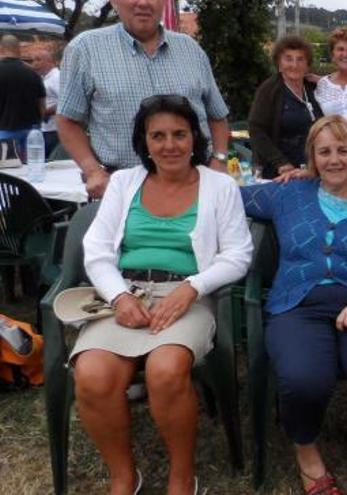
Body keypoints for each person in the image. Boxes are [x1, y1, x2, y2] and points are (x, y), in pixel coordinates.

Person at [71, 95, 252, 495]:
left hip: (186, 293)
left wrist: (193, 287)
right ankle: (123, 476)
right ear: (144, 141)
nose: (170, 145)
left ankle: (182, 478)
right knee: (92, 375)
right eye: (158, 136)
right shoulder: (123, 182)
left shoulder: (220, 185)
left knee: (165, 371)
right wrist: (119, 297)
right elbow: (98, 251)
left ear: (194, 138)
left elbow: (239, 254)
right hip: (125, 293)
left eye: (179, 134)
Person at [241, 115, 347, 495]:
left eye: (343, 150)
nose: (335, 159)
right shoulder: (288, 193)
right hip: (298, 306)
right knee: (303, 379)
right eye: (325, 151)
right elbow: (224, 196)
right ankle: (307, 454)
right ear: (312, 159)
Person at [57, 0, 230, 199]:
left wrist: (220, 160)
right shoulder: (85, 49)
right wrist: (93, 171)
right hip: (122, 190)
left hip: (194, 187)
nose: (144, 3)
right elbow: (67, 120)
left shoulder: (191, 50)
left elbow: (217, 115)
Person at [249, 35, 324, 180]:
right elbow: (256, 129)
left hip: (311, 170)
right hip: (280, 172)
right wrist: (281, 163)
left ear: (307, 64)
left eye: (300, 59)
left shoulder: (313, 88)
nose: (294, 65)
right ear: (279, 63)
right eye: (288, 59)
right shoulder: (269, 90)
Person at [314, 26, 347, 151]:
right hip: (334, 161)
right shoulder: (322, 85)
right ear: (332, 55)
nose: (345, 54)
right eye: (340, 49)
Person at [0, 35, 45, 158]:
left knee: (7, 173)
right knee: (30, 170)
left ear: (1, 48)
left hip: (4, 132)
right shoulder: (33, 73)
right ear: (18, 49)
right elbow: (42, 105)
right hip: (31, 132)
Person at [31, 48, 61, 156]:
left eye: (38, 60)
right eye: (33, 60)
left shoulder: (57, 77)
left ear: (50, 61)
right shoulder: (44, 78)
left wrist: (44, 112)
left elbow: (65, 102)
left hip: (53, 130)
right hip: (44, 129)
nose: (34, 64)